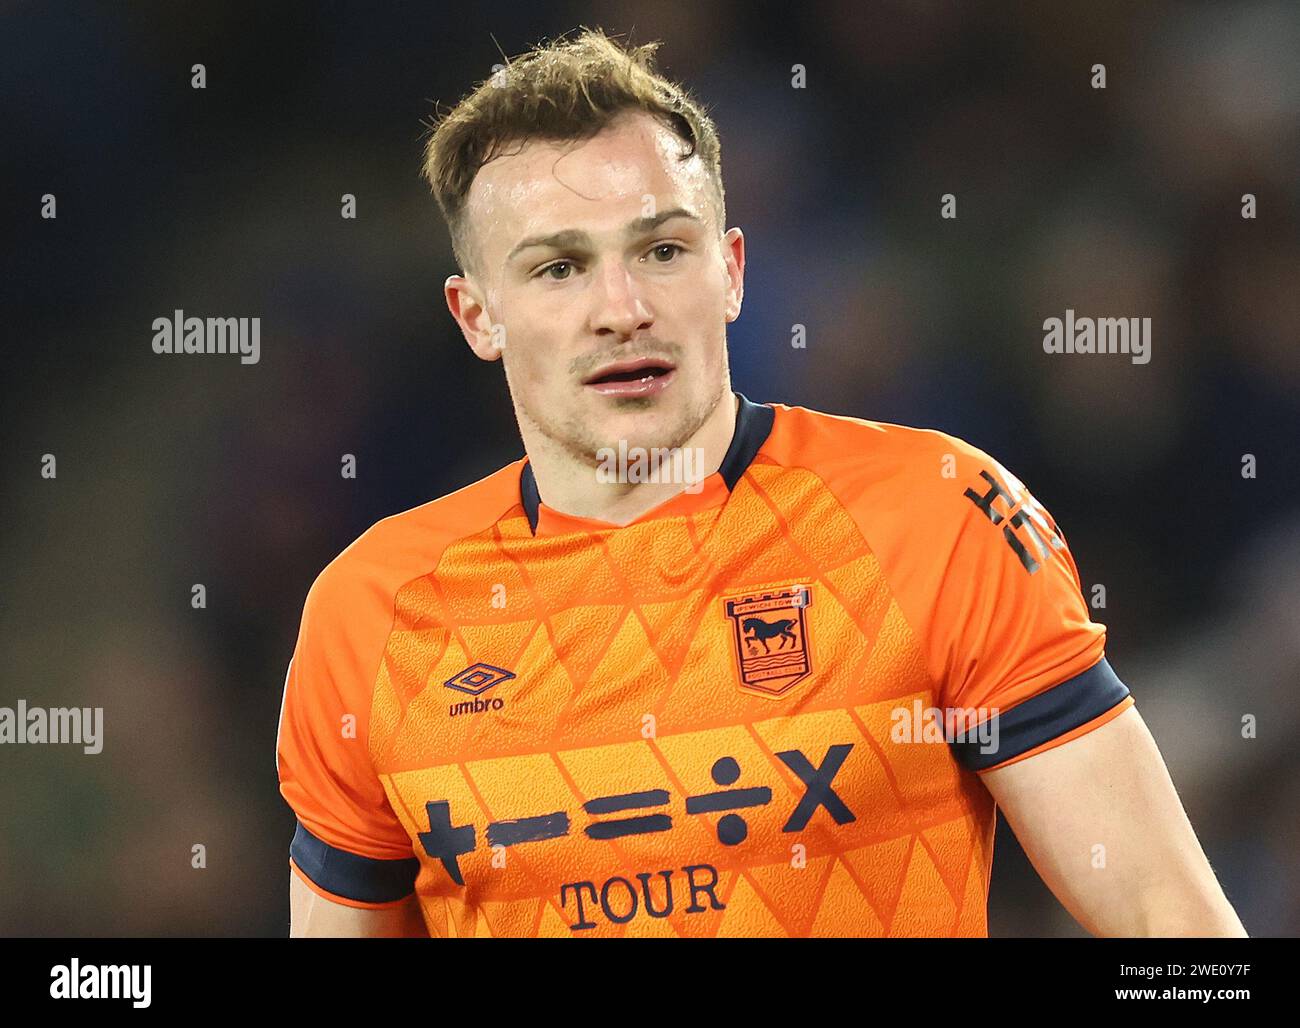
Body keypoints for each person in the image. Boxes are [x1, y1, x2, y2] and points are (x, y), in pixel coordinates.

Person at [276, 27, 1246, 938]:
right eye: (559, 267)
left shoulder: (931, 514)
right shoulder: (370, 612)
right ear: (477, 315)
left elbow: (1171, 921)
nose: (621, 308)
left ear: (731, 270)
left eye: (661, 249)